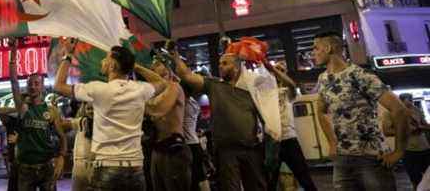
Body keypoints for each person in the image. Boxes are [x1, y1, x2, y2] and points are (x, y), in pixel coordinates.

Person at [54, 38, 167, 191]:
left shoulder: (99, 90)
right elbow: (162, 82)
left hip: (108, 168)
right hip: (135, 168)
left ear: (113, 65)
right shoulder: (140, 90)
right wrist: (136, 67)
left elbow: (59, 86)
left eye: (106, 58)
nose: (102, 61)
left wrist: (68, 55)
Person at [312, 31, 408, 191]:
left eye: (315, 48)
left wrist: (398, 152)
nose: (312, 52)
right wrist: (332, 142)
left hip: (370, 159)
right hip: (342, 160)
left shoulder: (359, 75)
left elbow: (399, 110)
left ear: (328, 48)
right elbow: (321, 111)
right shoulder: (323, 79)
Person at [171, 45, 266, 190]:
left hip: (251, 147)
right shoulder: (213, 85)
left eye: (225, 63)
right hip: (226, 150)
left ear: (236, 67)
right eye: (220, 63)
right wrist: (175, 55)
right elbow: (187, 76)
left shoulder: (250, 88)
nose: (220, 66)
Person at [8, 41, 67, 191]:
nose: (33, 86)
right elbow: (14, 81)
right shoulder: (22, 108)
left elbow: (62, 137)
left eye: (36, 83)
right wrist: (13, 53)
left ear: (41, 86)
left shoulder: (51, 111)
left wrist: (61, 157)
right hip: (25, 169)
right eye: (30, 84)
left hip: (46, 168)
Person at [265, 61, 317, 191]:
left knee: (304, 177)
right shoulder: (265, 92)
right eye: (277, 69)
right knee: (270, 181)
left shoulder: (287, 91)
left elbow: (291, 84)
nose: (278, 72)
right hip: (272, 140)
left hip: (289, 139)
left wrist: (274, 70)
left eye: (282, 70)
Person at [144, 50, 192, 191]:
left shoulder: (174, 87)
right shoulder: (151, 94)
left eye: (159, 65)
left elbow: (158, 109)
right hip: (156, 149)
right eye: (152, 69)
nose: (155, 70)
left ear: (167, 69)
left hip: (174, 149)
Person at [383, 93, 430, 189]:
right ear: (400, 101)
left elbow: (425, 125)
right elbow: (387, 131)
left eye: (411, 100)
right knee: (415, 179)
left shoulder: (416, 110)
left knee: (428, 179)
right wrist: (407, 131)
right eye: (409, 100)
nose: (411, 103)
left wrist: (422, 127)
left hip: (425, 148)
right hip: (408, 150)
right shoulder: (390, 112)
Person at [182, 93, 208, 191]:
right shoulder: (194, 103)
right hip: (195, 143)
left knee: (193, 178)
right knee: (200, 176)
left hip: (189, 145)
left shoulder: (185, 103)